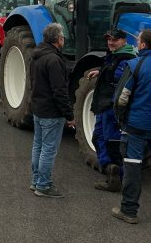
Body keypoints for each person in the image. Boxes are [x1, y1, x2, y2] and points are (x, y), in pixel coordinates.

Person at [86, 28, 135, 192]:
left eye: (114, 40)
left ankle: (117, 177)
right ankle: (110, 169)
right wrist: (100, 72)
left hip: (111, 108)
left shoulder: (126, 59)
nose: (110, 42)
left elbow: (120, 82)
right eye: (109, 39)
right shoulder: (114, 56)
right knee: (98, 137)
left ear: (124, 41)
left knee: (112, 142)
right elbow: (111, 71)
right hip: (103, 106)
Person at [30, 22, 75, 198]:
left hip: (38, 109)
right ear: (58, 39)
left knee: (38, 146)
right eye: (62, 37)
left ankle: (35, 181)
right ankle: (43, 186)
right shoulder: (54, 60)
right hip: (51, 112)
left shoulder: (37, 56)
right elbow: (60, 91)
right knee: (48, 150)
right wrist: (69, 115)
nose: (63, 39)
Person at [111, 29, 151, 224]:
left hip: (136, 125)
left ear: (143, 45)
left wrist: (121, 119)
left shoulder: (135, 65)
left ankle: (128, 210)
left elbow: (121, 98)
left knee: (132, 165)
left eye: (138, 41)